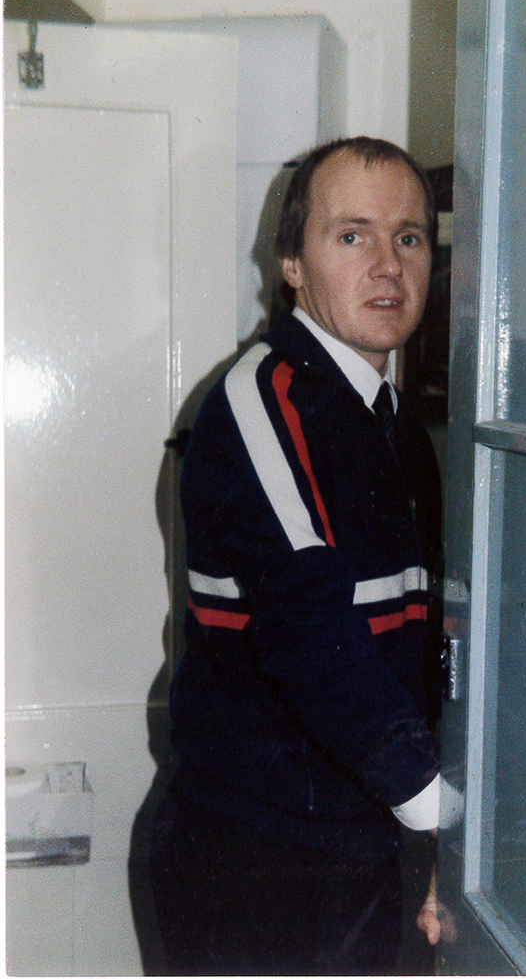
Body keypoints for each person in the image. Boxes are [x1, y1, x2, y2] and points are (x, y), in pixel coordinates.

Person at [150, 136, 444, 975]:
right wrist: (448, 821)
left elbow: (414, 643)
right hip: (261, 863)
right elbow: (310, 635)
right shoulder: (262, 402)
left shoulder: (391, 423)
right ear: (291, 265)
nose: (387, 265)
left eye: (409, 237)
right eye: (351, 236)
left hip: (365, 839)